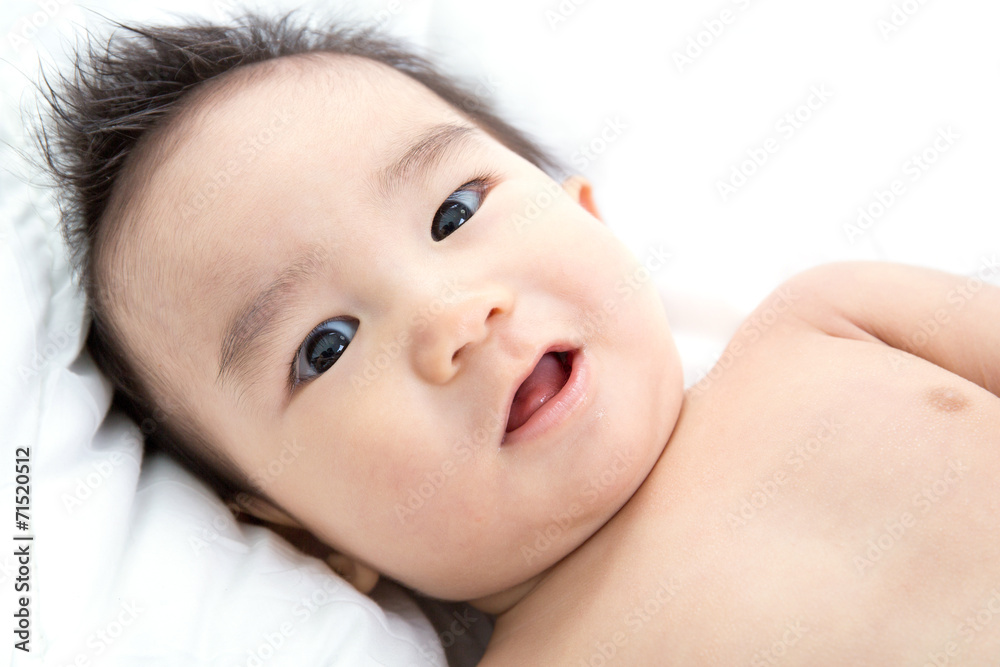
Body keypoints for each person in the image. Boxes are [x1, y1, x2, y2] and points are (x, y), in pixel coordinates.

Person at [42, 12, 1000, 665]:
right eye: (325, 345)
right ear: (300, 531)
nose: (455, 317)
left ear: (588, 213)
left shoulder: (834, 320)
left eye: (455, 211)